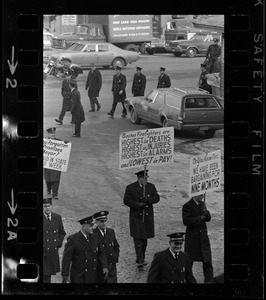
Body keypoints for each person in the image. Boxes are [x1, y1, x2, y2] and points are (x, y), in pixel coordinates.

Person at [123, 170, 160, 268]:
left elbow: (156, 198)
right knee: (138, 239)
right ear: (139, 178)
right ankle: (140, 260)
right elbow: (126, 200)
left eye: (146, 178)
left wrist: (147, 200)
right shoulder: (130, 188)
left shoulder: (151, 187)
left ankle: (141, 257)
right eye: (144, 178)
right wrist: (138, 204)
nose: (145, 180)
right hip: (136, 217)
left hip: (147, 217)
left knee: (144, 239)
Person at [61, 215, 108, 283]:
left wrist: (104, 266)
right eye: (90, 226)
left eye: (92, 226)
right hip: (79, 276)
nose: (92, 228)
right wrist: (65, 275)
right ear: (83, 227)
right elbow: (66, 259)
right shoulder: (73, 239)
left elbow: (101, 253)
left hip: (93, 275)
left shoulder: (95, 238)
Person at [182, 193, 214, 283]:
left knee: (207, 259)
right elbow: (186, 221)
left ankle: (209, 280)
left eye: (203, 195)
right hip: (192, 238)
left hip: (203, 237)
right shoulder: (187, 206)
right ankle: (189, 280)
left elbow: (208, 219)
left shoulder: (203, 204)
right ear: (195, 194)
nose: (202, 196)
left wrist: (207, 214)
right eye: (200, 195)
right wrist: (200, 218)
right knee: (189, 260)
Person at [43, 196, 66, 283]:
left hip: (52, 251)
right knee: (45, 276)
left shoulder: (57, 217)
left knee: (48, 275)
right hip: (43, 253)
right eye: (45, 206)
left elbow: (62, 232)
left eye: (49, 206)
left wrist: (58, 243)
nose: (47, 208)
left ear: (52, 206)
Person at [93, 210, 120, 283]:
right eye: (101, 221)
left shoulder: (110, 231)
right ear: (96, 222)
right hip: (100, 268)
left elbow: (116, 245)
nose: (104, 223)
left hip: (111, 266)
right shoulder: (93, 234)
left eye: (105, 221)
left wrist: (115, 256)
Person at [44, 127, 63, 199]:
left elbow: (64, 148)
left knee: (56, 179)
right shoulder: (45, 142)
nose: (53, 134)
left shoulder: (59, 142)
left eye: (54, 133)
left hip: (56, 165)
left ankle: (55, 194)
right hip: (48, 165)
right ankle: (49, 189)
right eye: (51, 133)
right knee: (48, 180)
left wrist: (66, 143)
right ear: (48, 134)